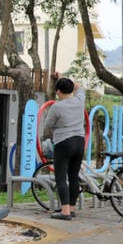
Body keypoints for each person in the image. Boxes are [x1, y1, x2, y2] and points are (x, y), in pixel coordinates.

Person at [41, 76, 86, 220]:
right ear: (72, 89)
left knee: (60, 177)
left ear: (58, 91)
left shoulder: (57, 106)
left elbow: (48, 125)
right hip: (80, 142)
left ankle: (65, 211)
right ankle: (71, 208)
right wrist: (62, 77)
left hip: (64, 142)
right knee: (73, 176)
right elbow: (79, 86)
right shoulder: (80, 100)